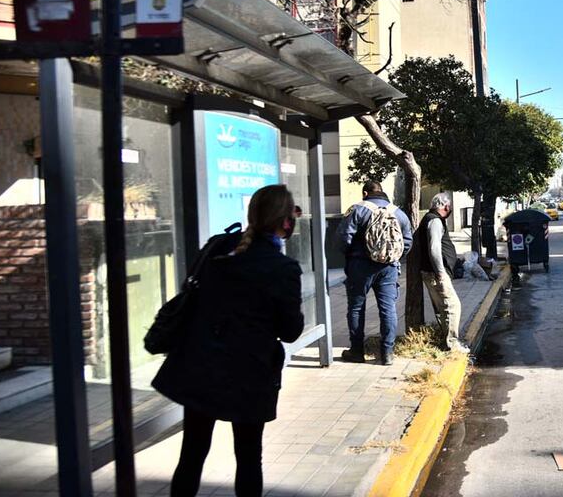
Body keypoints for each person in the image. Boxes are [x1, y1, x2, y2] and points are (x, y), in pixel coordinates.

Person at [153, 184, 304, 497]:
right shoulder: (282, 268)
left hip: (200, 364)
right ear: (284, 222)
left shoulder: (217, 247)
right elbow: (290, 330)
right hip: (249, 374)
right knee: (248, 457)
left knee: (192, 453)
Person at [334, 181, 413, 365]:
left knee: (356, 308)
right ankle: (387, 353)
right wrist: (392, 258)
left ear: (365, 192)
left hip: (360, 266)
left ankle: (356, 351)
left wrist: (351, 255)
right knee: (388, 309)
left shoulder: (357, 209)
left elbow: (343, 238)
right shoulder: (398, 213)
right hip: (388, 267)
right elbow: (407, 242)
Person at [414, 193, 469, 354]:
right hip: (436, 274)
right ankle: (452, 343)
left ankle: (446, 340)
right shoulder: (435, 220)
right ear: (445, 206)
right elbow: (434, 248)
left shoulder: (432, 219)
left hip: (433, 273)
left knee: (442, 308)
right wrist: (440, 272)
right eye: (449, 206)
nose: (450, 208)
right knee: (453, 306)